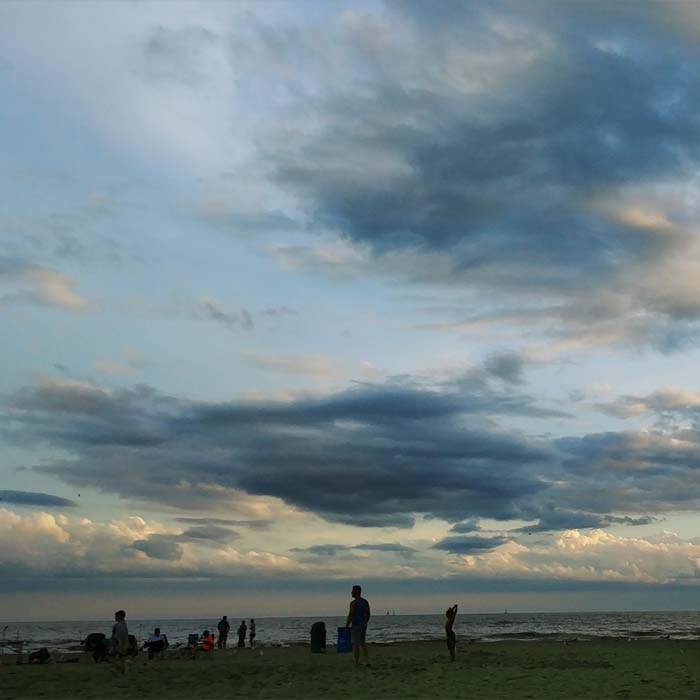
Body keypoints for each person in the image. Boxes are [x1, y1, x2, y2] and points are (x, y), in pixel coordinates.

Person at [345, 584, 371, 667]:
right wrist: (365, 622)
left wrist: (347, 626)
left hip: (356, 625)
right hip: (363, 625)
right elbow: (368, 614)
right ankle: (366, 660)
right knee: (362, 642)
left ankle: (356, 662)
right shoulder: (365, 601)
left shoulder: (354, 603)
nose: (351, 592)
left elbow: (351, 615)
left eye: (353, 591)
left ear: (357, 592)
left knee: (356, 644)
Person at [111, 610, 129, 674]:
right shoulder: (119, 625)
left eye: (117, 616)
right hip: (119, 644)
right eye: (115, 616)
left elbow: (121, 636)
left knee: (117, 658)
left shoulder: (121, 625)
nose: (115, 618)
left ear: (121, 617)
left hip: (119, 644)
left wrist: (118, 643)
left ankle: (120, 670)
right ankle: (121, 670)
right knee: (121, 659)